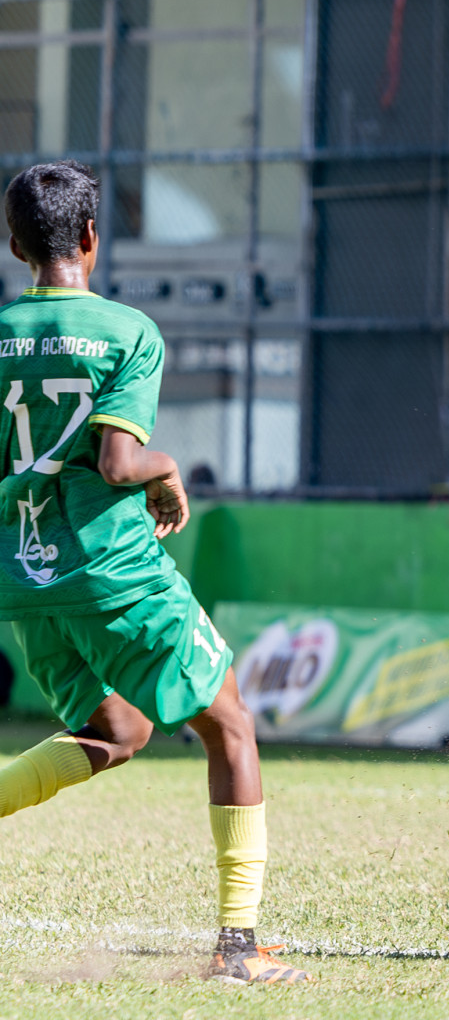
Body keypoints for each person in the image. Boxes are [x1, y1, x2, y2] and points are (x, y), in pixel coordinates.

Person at [0, 161, 308, 984]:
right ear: (93, 238)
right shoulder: (128, 333)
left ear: (14, 242)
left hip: (25, 579)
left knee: (117, 732)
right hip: (113, 571)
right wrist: (167, 465)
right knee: (231, 726)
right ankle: (238, 951)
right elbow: (116, 460)